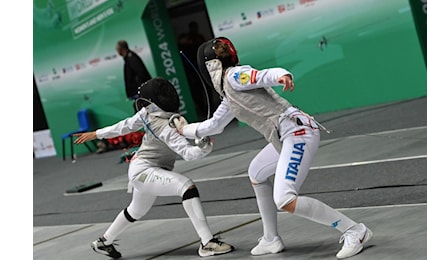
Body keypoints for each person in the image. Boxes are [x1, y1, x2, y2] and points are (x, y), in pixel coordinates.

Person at [176, 37, 373, 259]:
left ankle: (355, 230)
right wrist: (184, 130)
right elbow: (214, 125)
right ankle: (271, 238)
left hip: (297, 133)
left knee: (285, 199)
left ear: (210, 67)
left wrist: (281, 75)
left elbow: (260, 75)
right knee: (256, 173)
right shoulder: (229, 94)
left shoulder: (233, 76)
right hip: (286, 136)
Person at [73, 77, 234, 259]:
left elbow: (124, 127)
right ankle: (207, 243)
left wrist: (96, 134)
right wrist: (204, 148)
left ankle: (103, 242)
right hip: (143, 171)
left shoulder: (159, 118)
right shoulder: (159, 122)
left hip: (145, 169)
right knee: (186, 187)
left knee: (136, 210)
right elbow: (187, 154)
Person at [116, 40, 152, 112]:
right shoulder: (128, 58)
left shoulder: (131, 58)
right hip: (138, 91)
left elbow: (141, 73)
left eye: (117, 49)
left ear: (121, 49)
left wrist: (141, 89)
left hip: (139, 91)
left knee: (143, 112)